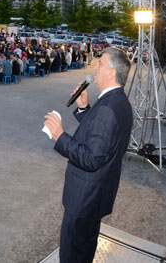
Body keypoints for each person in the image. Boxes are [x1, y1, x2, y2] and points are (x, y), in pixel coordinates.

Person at [43, 48, 133, 263]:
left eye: (100, 64)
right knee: (83, 250)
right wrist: (84, 109)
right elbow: (103, 140)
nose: (95, 67)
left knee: (73, 254)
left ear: (111, 72)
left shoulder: (107, 108)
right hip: (96, 196)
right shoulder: (118, 102)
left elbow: (92, 158)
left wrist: (60, 136)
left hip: (84, 198)